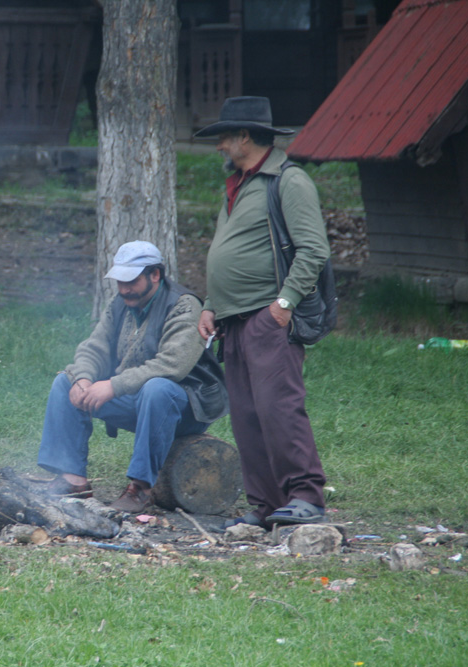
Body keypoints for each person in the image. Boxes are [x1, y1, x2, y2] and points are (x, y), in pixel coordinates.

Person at [194, 96, 331, 527]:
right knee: (247, 415)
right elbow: (227, 250)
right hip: (233, 321)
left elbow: (314, 250)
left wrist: (284, 304)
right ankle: (268, 505)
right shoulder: (237, 184)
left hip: (267, 317)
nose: (219, 146)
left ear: (244, 137)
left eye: (224, 138)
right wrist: (211, 305)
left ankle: (306, 497)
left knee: (279, 408)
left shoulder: (288, 181)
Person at [37, 241, 229, 513]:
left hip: (187, 407)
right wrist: (83, 378)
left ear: (155, 274)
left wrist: (113, 386)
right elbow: (95, 347)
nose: (124, 289)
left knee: (157, 388)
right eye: (120, 281)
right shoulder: (120, 303)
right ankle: (73, 480)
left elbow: (172, 365)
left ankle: (141, 489)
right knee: (65, 382)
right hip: (139, 398)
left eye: (131, 281)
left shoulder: (185, 306)